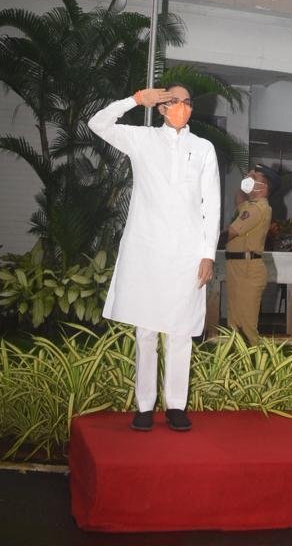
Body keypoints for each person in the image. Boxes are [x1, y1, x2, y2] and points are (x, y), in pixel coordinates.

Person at [88, 84, 220, 433]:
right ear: (162, 108)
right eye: (175, 101)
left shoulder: (203, 148)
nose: (182, 107)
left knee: (179, 331)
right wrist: (133, 100)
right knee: (145, 330)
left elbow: (213, 203)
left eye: (188, 102)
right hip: (147, 249)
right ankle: (144, 406)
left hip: (187, 252)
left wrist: (208, 253)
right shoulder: (142, 140)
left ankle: (176, 405)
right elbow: (97, 124)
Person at [224, 164, 277, 344]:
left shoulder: (257, 209)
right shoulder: (250, 205)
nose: (251, 181)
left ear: (265, 187)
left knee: (247, 326)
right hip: (238, 267)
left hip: (248, 269)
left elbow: (231, 232)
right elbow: (239, 202)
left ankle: (256, 365)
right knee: (234, 322)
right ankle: (238, 364)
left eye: (255, 180)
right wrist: (244, 184)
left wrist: (205, 243)